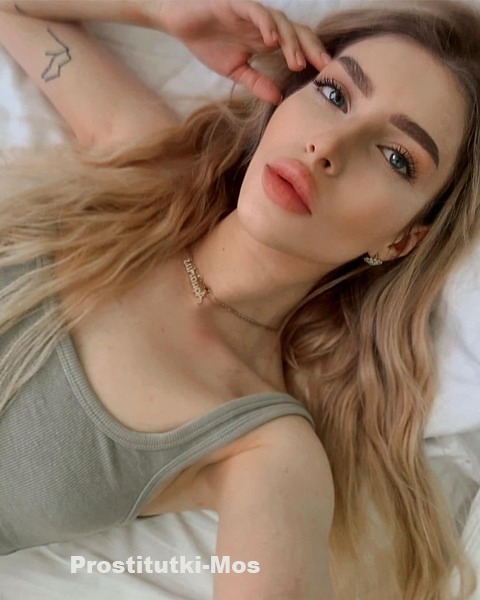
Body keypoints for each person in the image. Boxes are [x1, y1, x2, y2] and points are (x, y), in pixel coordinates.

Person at [0, 0, 479, 598]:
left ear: (402, 240)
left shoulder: (265, 448)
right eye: (334, 94)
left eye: (396, 157)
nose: (329, 145)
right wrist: (161, 13)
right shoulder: (145, 162)